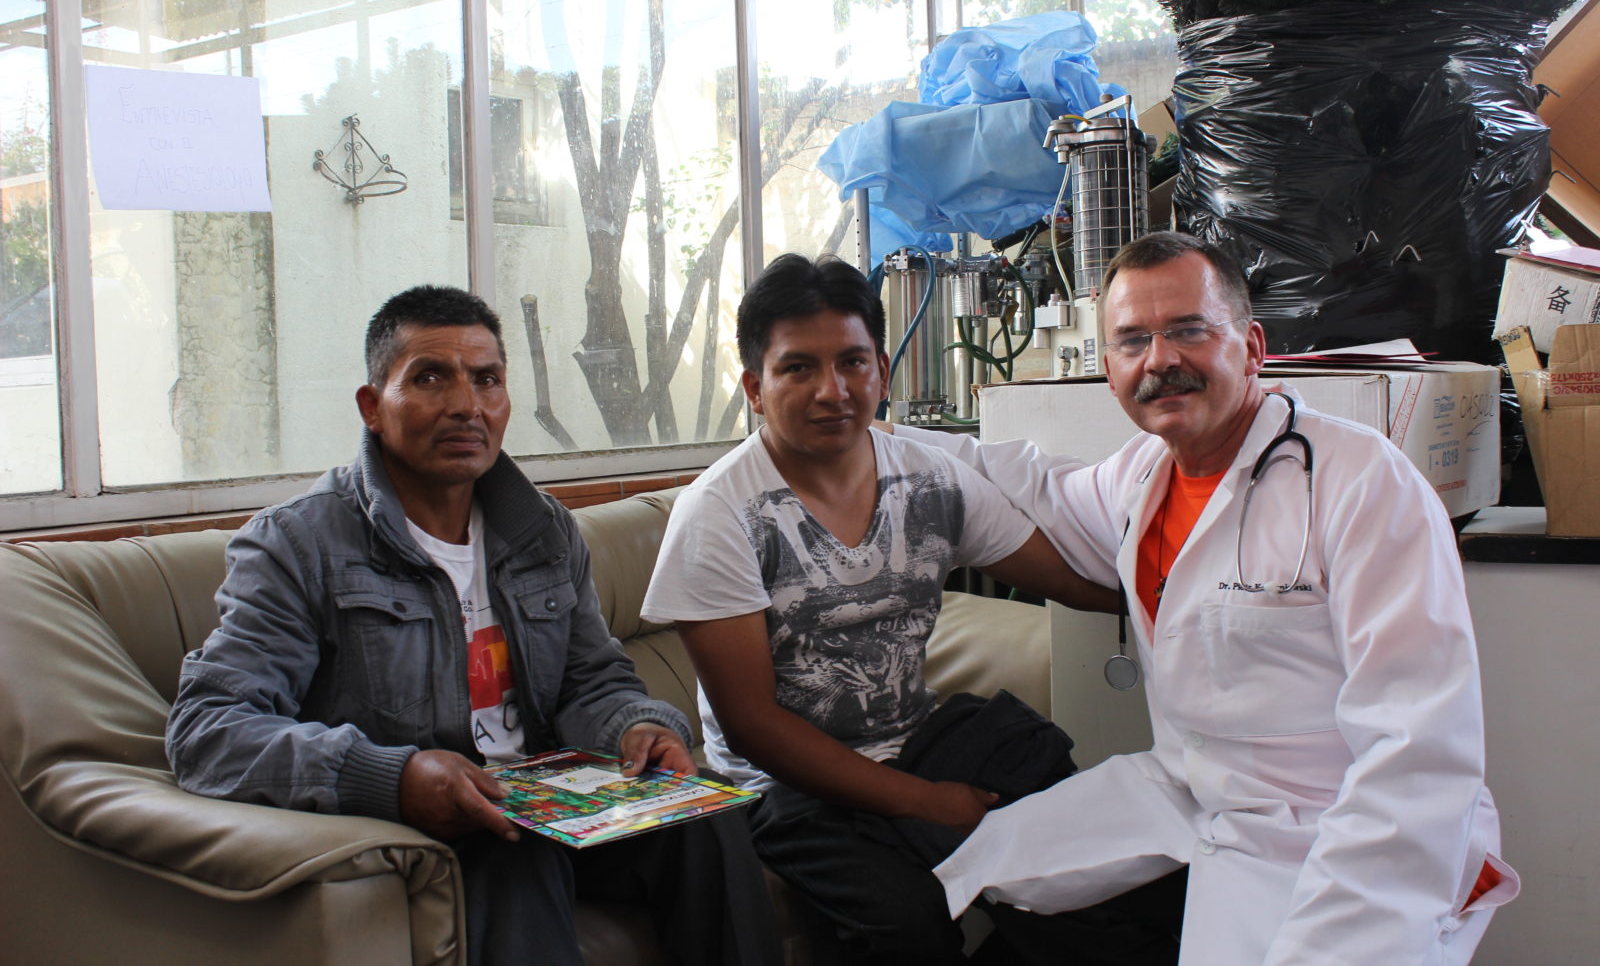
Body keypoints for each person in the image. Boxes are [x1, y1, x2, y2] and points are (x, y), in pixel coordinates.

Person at [888, 231, 1519, 965]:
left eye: (1189, 330)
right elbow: (1026, 482)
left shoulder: (1361, 483)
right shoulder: (1141, 475)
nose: (1160, 359)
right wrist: (873, 435)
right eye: (1133, 341)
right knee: (970, 868)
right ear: (1111, 370)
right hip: (1190, 787)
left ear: (1251, 347)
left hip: (1334, 820)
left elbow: (1417, 749)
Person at [166, 285, 779, 966]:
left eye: (486, 379)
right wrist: (393, 776)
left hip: (554, 804)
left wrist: (636, 727)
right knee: (511, 854)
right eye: (430, 378)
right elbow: (207, 730)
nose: (466, 404)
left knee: (709, 817)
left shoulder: (543, 530)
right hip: (426, 828)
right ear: (372, 406)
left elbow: (590, 680)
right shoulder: (298, 544)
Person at [639, 253, 1185, 966]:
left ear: (883, 373)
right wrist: (923, 802)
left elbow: (1071, 578)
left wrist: (1205, 590)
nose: (832, 390)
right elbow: (754, 727)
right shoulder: (718, 515)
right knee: (910, 918)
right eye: (798, 367)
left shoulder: (929, 480)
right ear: (755, 387)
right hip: (783, 788)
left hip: (918, 737)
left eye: (852, 362)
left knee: (1107, 856)